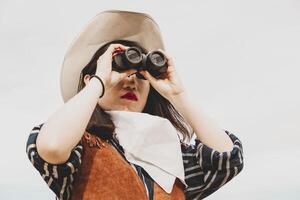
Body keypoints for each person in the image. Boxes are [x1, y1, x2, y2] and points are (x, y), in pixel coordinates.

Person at [26, 10, 244, 200]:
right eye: (118, 70)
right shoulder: (80, 147)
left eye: (141, 75)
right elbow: (51, 147)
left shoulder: (170, 155)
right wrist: (100, 81)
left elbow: (227, 160)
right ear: (90, 80)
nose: (131, 80)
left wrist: (178, 95)